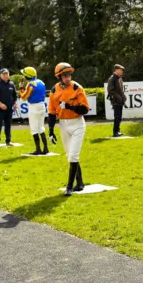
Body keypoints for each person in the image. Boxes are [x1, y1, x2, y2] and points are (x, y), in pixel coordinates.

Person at [48, 63, 90, 196]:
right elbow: (51, 112)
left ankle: (69, 187)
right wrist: (50, 131)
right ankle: (80, 183)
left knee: (73, 155)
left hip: (77, 124)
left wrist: (69, 106)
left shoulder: (78, 88)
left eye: (69, 75)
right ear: (59, 77)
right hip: (63, 125)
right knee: (70, 156)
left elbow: (85, 109)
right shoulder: (54, 91)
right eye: (65, 76)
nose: (68, 78)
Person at [19, 67, 49, 155]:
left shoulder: (31, 84)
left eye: (24, 75)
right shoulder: (41, 82)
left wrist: (21, 88)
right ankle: (46, 148)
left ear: (28, 75)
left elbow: (24, 97)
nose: (23, 77)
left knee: (34, 129)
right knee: (41, 128)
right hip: (42, 106)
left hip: (34, 107)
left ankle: (38, 149)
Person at [0, 68, 17, 147]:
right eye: (4, 74)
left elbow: (14, 95)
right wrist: (0, 104)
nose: (6, 75)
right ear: (0, 75)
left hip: (9, 109)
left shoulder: (11, 84)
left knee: (8, 126)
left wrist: (15, 103)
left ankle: (8, 141)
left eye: (7, 74)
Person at [107, 64, 126, 137]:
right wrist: (118, 97)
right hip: (115, 101)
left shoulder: (119, 78)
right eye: (121, 70)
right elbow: (110, 91)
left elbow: (121, 90)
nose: (122, 72)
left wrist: (123, 97)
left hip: (120, 101)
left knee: (119, 117)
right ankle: (115, 132)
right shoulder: (112, 79)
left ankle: (118, 131)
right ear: (116, 70)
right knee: (117, 116)